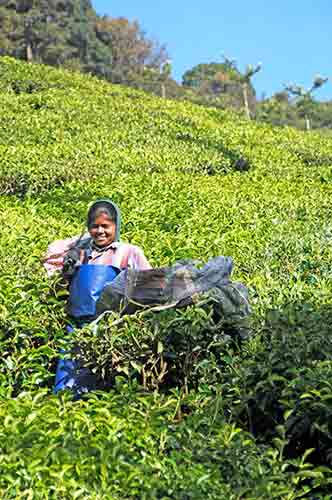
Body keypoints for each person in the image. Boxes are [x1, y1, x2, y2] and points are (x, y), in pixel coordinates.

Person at [43, 199, 151, 396]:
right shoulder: (82, 253)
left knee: (104, 385)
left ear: (116, 227)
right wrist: (68, 268)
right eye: (94, 226)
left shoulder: (129, 252)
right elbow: (52, 256)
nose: (100, 231)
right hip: (76, 327)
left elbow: (148, 281)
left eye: (105, 226)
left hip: (111, 328)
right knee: (67, 385)